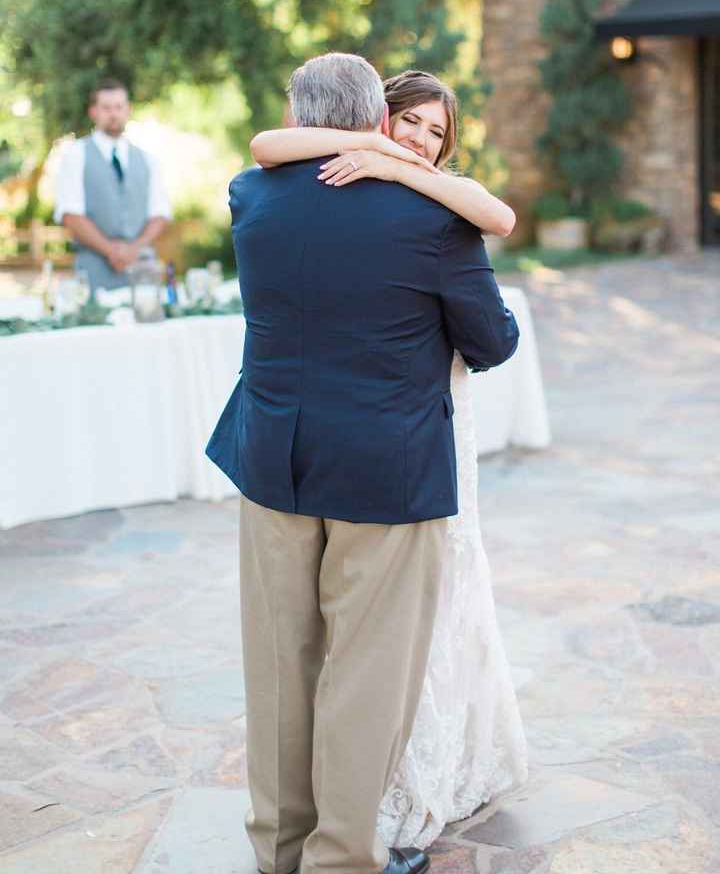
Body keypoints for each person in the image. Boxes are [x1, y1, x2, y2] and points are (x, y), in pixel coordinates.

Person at [205, 52, 520, 874]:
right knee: (367, 670)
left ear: (300, 114)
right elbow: (491, 342)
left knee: (279, 665)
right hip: (388, 469)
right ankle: (341, 857)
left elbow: (268, 154)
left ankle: (278, 849)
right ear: (379, 119)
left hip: (273, 458)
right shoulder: (433, 216)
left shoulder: (250, 196)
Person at [53, 77, 171, 294]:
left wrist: (133, 250)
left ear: (128, 109)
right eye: (106, 108)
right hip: (93, 274)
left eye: (119, 107)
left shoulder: (148, 160)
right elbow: (71, 214)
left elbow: (160, 214)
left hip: (142, 273)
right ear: (93, 112)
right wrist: (111, 251)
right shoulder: (75, 154)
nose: (113, 114)